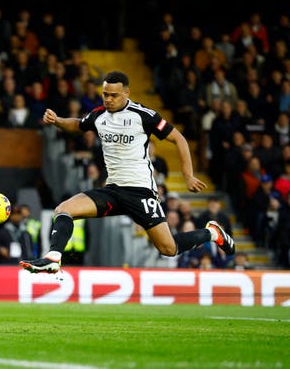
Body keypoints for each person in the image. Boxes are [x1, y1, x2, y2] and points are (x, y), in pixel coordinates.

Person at [20, 71, 235, 274]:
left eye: (114, 95)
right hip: (112, 190)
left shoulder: (143, 115)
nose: (109, 99)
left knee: (168, 249)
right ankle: (53, 257)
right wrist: (57, 121)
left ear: (126, 93)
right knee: (63, 209)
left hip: (141, 192)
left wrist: (188, 175)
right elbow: (78, 125)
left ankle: (212, 233)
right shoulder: (99, 116)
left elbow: (178, 138)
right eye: (105, 94)